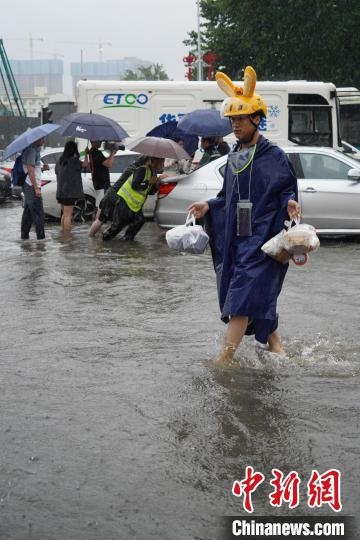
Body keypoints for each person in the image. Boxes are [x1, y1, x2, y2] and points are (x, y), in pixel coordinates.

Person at [188, 67, 301, 366]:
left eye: (240, 119)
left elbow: (287, 190)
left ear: (256, 119)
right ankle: (278, 349)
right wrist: (210, 206)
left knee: (241, 293)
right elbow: (229, 196)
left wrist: (291, 204)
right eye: (232, 119)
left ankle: (224, 359)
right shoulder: (236, 154)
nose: (235, 125)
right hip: (238, 236)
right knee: (253, 291)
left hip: (263, 238)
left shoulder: (274, 156)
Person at [102, 156, 165, 241]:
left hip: (135, 206)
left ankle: (127, 241)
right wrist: (149, 182)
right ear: (154, 162)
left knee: (139, 221)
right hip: (124, 202)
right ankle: (104, 242)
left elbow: (150, 192)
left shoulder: (153, 173)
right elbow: (135, 185)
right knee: (116, 227)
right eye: (161, 162)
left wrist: (157, 184)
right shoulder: (142, 170)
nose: (162, 165)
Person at [88, 154, 148, 237]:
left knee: (101, 220)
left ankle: (96, 240)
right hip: (112, 197)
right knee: (100, 220)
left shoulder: (132, 167)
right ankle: (91, 239)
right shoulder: (136, 170)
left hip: (111, 195)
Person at [55, 141, 85, 233]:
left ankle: (63, 234)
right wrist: (87, 154)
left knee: (64, 215)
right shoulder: (73, 161)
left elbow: (57, 172)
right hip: (69, 192)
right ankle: (67, 237)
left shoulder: (60, 160)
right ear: (73, 149)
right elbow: (84, 165)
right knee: (68, 215)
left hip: (60, 192)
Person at [21, 137, 46, 240]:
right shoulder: (32, 150)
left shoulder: (34, 150)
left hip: (29, 185)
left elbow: (33, 169)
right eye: (42, 138)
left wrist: (43, 168)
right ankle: (41, 241)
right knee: (39, 214)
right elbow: (30, 171)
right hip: (31, 186)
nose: (43, 140)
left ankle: (24, 239)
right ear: (37, 139)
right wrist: (36, 188)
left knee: (28, 214)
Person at [86, 140, 116, 210]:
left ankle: (98, 220)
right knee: (101, 207)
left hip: (98, 182)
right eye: (99, 141)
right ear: (93, 142)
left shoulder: (92, 152)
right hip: (102, 183)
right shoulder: (97, 153)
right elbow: (109, 164)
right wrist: (112, 153)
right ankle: (97, 221)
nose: (100, 142)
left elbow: (105, 162)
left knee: (100, 205)